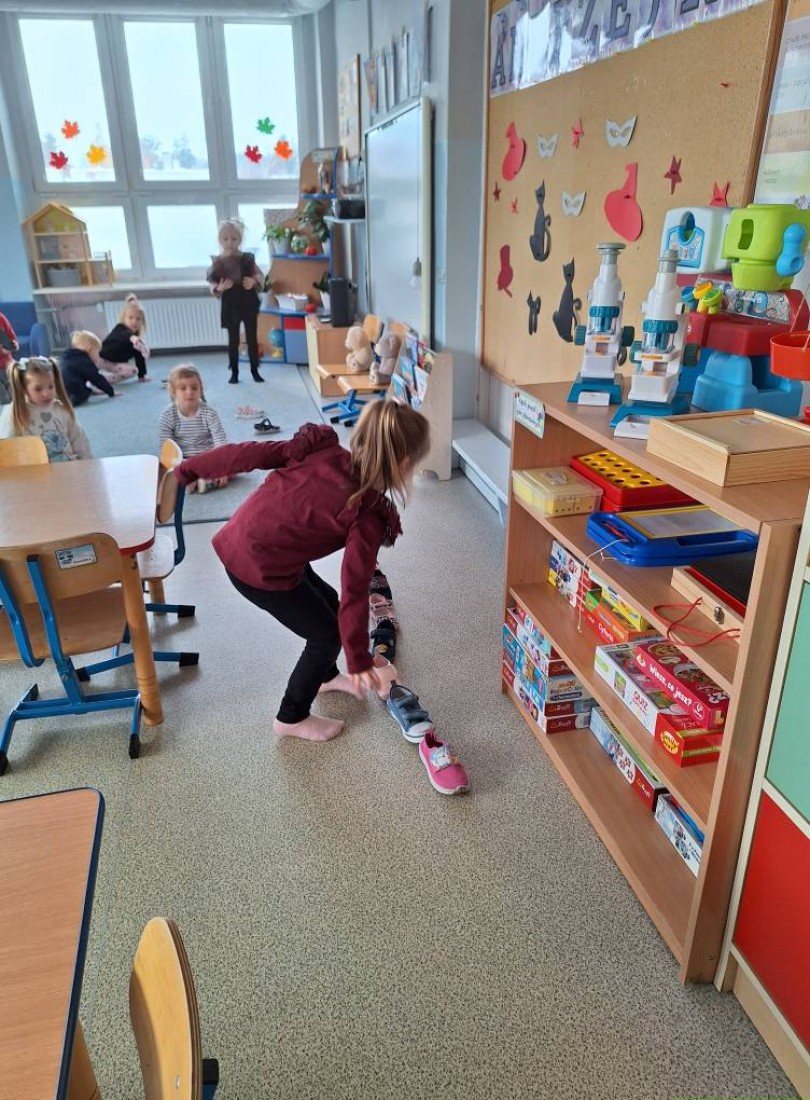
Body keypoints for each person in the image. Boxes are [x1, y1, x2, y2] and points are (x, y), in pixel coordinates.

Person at [173, 400, 431, 741]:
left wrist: (191, 468)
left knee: (328, 602)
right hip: (259, 570)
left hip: (250, 544)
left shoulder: (321, 450)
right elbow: (355, 587)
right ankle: (291, 717)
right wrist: (358, 659)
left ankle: (326, 677)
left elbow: (245, 454)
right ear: (405, 463)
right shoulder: (367, 512)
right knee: (325, 635)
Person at [207, 216, 265, 385]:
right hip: (230, 303)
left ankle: (255, 370)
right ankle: (234, 372)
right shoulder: (218, 262)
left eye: (234, 239)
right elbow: (212, 284)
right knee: (233, 340)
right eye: (225, 239)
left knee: (251, 337)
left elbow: (260, 275)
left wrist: (253, 281)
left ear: (240, 240)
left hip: (248, 301)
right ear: (220, 240)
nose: (230, 243)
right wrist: (220, 288)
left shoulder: (247, 258)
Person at [0, 357, 91, 461]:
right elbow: (6, 447)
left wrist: (87, 462)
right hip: (35, 468)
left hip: (67, 465)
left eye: (51, 387)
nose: (46, 393)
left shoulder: (61, 409)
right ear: (23, 388)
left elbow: (78, 438)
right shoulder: (16, 412)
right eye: (38, 389)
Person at [158, 364, 228, 494]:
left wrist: (221, 467)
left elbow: (220, 441)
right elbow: (166, 447)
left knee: (235, 460)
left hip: (207, 458)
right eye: (183, 388)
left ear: (201, 390)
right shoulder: (168, 415)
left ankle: (199, 480)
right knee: (162, 470)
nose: (189, 392)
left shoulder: (209, 413)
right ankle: (198, 479)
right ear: (173, 391)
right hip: (183, 460)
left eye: (194, 388)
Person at [60, 330, 122, 407]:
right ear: (90, 349)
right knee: (83, 393)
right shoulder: (84, 361)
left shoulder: (67, 357)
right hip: (74, 395)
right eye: (97, 353)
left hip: (62, 393)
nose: (98, 356)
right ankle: (87, 392)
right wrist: (111, 392)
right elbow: (97, 378)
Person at [100, 293, 150, 381]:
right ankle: (96, 379)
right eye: (130, 318)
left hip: (115, 364)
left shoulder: (136, 342)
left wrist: (142, 375)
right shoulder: (120, 328)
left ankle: (105, 380)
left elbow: (139, 358)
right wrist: (132, 338)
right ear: (124, 318)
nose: (134, 321)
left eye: (138, 319)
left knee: (134, 370)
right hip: (101, 359)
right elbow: (124, 335)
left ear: (142, 322)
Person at [0, 310, 18, 405]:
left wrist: (14, 344)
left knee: (17, 392)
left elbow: (12, 336)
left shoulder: (1, 318)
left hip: (7, 363)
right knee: (4, 400)